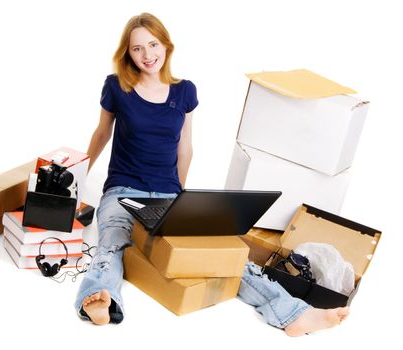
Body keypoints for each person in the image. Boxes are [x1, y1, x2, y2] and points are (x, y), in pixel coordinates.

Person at [74, 12, 350, 336]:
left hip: (166, 194)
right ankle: (101, 301)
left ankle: (292, 314)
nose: (147, 55)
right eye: (137, 49)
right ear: (128, 53)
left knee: (224, 253)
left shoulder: (184, 92)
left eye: (152, 44)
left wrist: (180, 199)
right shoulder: (117, 87)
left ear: (166, 45)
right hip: (122, 191)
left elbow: (185, 148)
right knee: (112, 243)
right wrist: (77, 180)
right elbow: (101, 133)